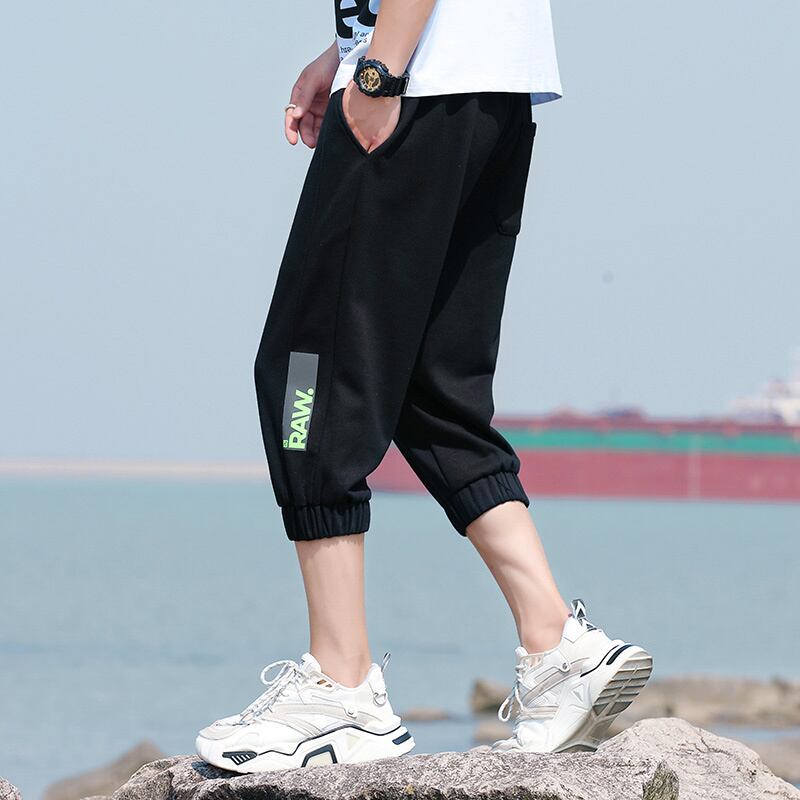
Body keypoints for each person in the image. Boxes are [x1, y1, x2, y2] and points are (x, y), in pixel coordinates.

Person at [196, 0, 652, 773]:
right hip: (491, 89)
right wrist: (345, 48)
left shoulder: (394, 75)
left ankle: (341, 687)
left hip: (417, 81)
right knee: (429, 384)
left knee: (304, 372)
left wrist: (378, 70)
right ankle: (556, 645)